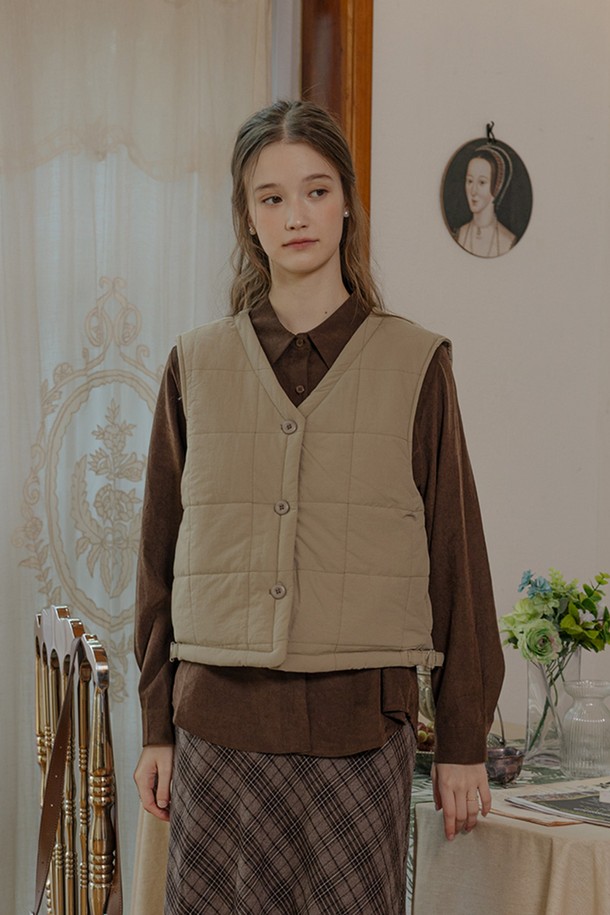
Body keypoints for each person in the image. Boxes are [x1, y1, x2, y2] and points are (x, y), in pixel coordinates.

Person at [134, 99, 505, 914]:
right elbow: (159, 555)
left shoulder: (416, 362)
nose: (295, 216)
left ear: (346, 205)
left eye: (316, 191)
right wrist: (157, 724)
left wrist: (463, 738)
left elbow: (457, 552)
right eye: (271, 197)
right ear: (248, 218)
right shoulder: (195, 364)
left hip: (359, 727)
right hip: (218, 725)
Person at [456, 145, 516, 257]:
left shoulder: (508, 241)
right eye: (470, 181)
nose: (473, 191)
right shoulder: (458, 234)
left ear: (496, 187)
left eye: (482, 182)